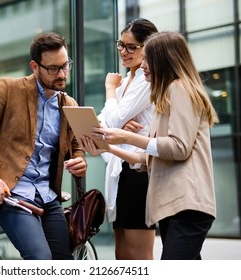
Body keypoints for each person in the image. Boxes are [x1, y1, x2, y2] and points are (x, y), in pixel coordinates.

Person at [90, 31, 219, 260]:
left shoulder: (178, 89)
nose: (143, 66)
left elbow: (178, 148)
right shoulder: (166, 95)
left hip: (186, 205)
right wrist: (110, 147)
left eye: (148, 59)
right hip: (177, 205)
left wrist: (127, 137)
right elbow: (147, 158)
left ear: (164, 59)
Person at [0, 32, 87, 260]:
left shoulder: (68, 104)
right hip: (11, 193)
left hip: (48, 196)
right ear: (34, 66)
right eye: (53, 69)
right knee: (40, 260)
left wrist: (79, 158)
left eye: (65, 66)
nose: (61, 74)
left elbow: (75, 144)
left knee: (64, 262)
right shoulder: (8, 89)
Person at [79, 18, 157, 260]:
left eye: (131, 46)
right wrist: (118, 123)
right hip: (121, 172)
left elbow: (110, 122)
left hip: (139, 173)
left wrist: (110, 89)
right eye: (121, 45)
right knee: (121, 254)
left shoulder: (146, 78)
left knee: (139, 258)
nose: (124, 51)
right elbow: (101, 122)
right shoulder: (126, 81)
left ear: (149, 47)